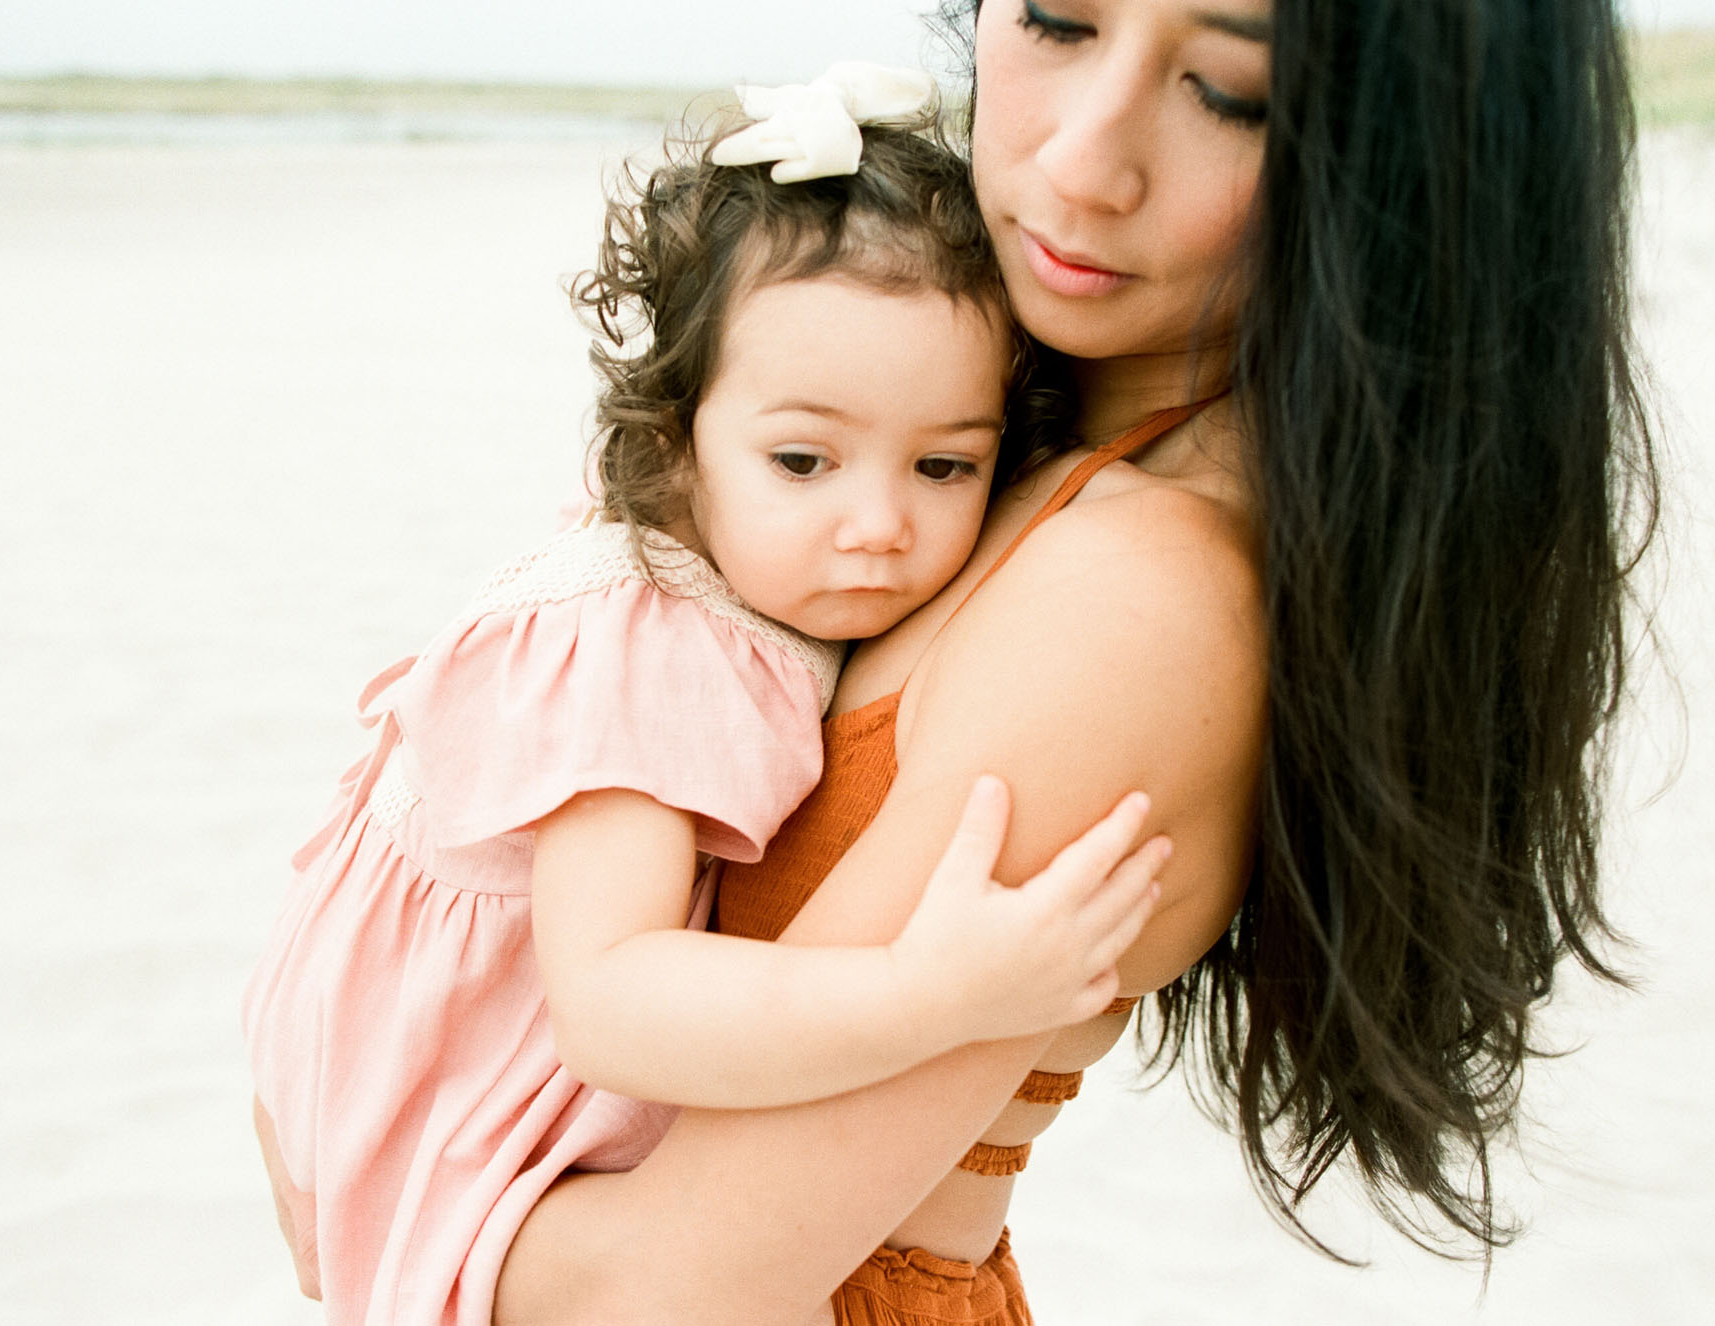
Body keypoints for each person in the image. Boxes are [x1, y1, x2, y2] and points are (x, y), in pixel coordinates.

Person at [490, 1, 1658, 1323]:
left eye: (1228, 92)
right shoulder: (984, 449)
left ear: (1405, 166)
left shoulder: (1134, 605)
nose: (1081, 162)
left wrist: (370, 1186)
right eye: (1053, 19)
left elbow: (648, 1294)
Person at [241, 103, 1175, 1326]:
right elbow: (614, 1003)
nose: (876, 523)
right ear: (678, 447)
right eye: (803, 462)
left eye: (943, 466)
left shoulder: (753, 579)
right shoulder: (650, 658)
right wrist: (930, 994)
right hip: (465, 1098)